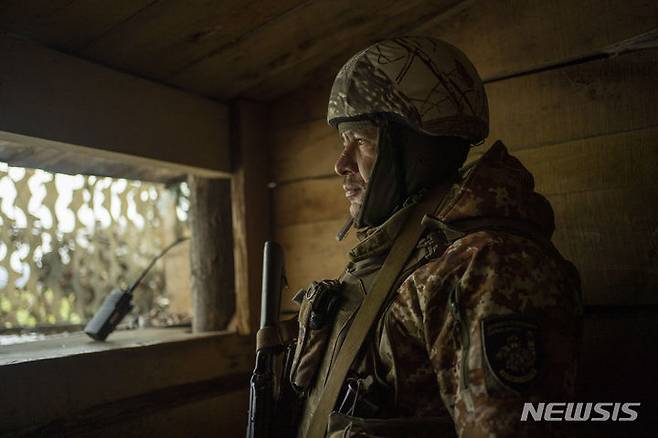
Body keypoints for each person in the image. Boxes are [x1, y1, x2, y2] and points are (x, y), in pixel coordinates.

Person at [288, 36, 582, 437]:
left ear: (414, 147)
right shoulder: (410, 254)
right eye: (343, 142)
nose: (341, 164)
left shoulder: (486, 264)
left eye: (361, 140)